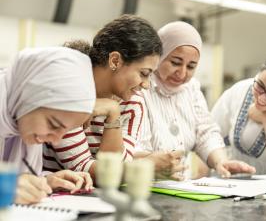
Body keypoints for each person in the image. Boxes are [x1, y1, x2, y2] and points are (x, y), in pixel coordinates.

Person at [42, 15, 162, 181]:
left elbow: (116, 165)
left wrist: (113, 112)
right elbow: (85, 168)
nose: (146, 85)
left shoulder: (133, 102)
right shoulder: (69, 88)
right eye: (144, 73)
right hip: (49, 197)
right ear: (115, 60)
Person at [135, 21, 255, 180]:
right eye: (175, 63)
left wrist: (221, 162)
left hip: (179, 187)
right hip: (142, 183)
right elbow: (131, 147)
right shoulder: (139, 87)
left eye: (191, 66)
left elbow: (205, 132)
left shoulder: (191, 89)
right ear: (158, 56)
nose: (182, 73)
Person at [0, 47, 96, 204]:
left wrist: (45, 181)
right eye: (53, 124)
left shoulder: (20, 118)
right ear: (27, 97)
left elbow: (17, 179)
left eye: (65, 131)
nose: (56, 140)